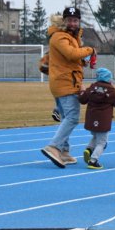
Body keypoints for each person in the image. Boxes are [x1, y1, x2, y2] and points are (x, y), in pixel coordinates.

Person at [41, 9, 95, 168]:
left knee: (66, 117)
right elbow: (71, 54)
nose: (72, 23)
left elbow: (72, 58)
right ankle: (54, 146)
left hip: (65, 81)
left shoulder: (72, 37)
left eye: (75, 20)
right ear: (63, 21)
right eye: (69, 20)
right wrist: (90, 50)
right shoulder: (60, 36)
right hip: (66, 83)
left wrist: (84, 60)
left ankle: (64, 152)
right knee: (72, 117)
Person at [78, 67, 115, 169]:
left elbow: (82, 99)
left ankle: (89, 149)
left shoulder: (92, 87)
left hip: (91, 119)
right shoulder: (111, 90)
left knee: (95, 136)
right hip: (103, 120)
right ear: (108, 78)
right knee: (102, 142)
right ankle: (93, 160)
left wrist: (81, 91)